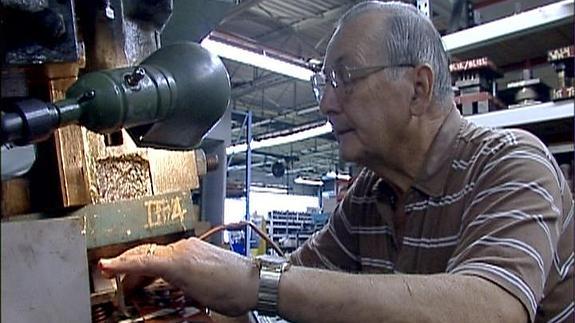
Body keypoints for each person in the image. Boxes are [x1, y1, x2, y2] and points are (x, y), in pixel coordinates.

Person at [99, 2, 574, 322]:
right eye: (322, 82)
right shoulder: (369, 195)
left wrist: (252, 282)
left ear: (419, 87)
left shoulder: (512, 164)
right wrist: (189, 280)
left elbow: (493, 308)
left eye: (344, 78)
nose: (327, 103)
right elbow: (291, 287)